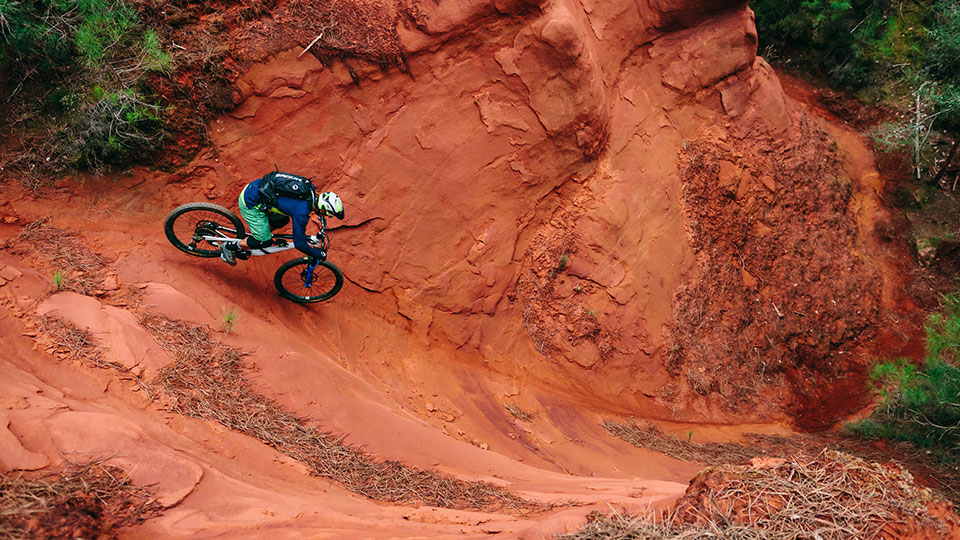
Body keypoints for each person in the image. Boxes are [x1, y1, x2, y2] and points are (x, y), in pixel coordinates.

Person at [219, 171, 344, 266]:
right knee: (264, 242)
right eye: (326, 214)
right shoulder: (301, 212)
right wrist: (318, 254)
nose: (325, 216)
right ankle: (229, 247)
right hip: (250, 202)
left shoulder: (309, 189)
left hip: (255, 187)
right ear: (322, 209)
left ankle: (258, 234)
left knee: (283, 220)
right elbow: (299, 243)